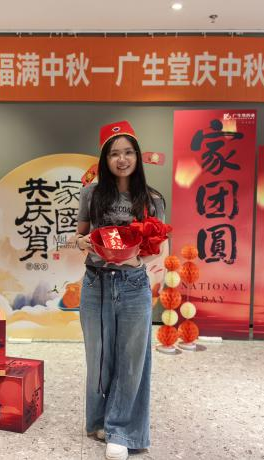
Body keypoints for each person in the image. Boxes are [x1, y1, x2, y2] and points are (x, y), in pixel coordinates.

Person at [75, 120, 166, 460]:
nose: (122, 159)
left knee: (132, 360)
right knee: (98, 357)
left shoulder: (152, 199)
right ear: (105, 159)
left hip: (132, 284)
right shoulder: (91, 194)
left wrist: (137, 254)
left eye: (128, 152)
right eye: (114, 154)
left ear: (138, 157)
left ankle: (123, 430)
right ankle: (99, 421)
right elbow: (79, 235)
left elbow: (157, 248)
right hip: (95, 282)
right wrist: (82, 242)